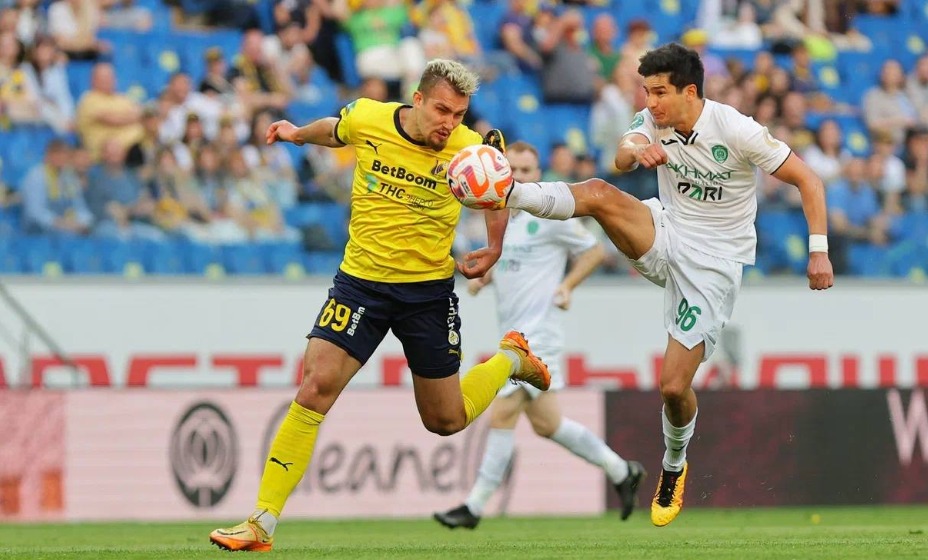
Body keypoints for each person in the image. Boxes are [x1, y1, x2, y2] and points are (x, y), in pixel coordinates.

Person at [209, 59, 551, 552]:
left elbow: (496, 195)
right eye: (442, 110)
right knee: (314, 387)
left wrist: (494, 247)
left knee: (445, 421)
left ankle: (511, 359)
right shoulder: (370, 118)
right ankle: (261, 523)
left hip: (426, 294)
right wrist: (297, 134)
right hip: (360, 287)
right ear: (417, 98)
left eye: (458, 114)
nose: (449, 123)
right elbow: (335, 129)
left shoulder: (468, 148)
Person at [495, 43, 834, 527]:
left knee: (673, 387)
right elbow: (620, 157)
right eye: (646, 92)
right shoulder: (652, 120)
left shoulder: (736, 129)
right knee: (600, 194)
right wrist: (637, 150)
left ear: (689, 92)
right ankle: (508, 192)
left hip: (714, 266)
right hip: (667, 231)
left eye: (659, 93)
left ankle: (674, 464)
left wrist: (818, 250)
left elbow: (809, 180)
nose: (650, 102)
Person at [433, 141, 646, 530]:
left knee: (503, 411)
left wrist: (567, 285)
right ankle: (621, 470)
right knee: (548, 424)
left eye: (526, 170)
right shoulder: (501, 220)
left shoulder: (549, 216)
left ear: (538, 174)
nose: (518, 176)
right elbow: (513, 267)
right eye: (512, 169)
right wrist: (485, 279)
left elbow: (595, 251)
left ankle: (474, 507)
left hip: (537, 335)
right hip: (510, 332)